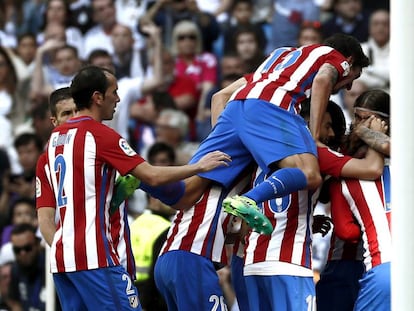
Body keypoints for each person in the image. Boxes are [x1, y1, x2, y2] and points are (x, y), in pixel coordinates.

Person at [36, 65, 230, 310]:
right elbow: (152, 176)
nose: (117, 99)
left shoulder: (53, 142)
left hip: (63, 260)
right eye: (113, 92)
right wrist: (198, 167)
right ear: (97, 98)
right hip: (95, 257)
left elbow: (52, 213)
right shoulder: (100, 135)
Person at [188, 33, 370, 231]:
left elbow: (220, 96)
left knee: (189, 187)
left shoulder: (279, 59)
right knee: (309, 173)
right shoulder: (336, 58)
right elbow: (323, 80)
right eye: (355, 76)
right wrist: (315, 136)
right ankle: (249, 200)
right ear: (350, 61)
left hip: (235, 108)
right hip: (272, 107)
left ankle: (153, 180)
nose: (349, 85)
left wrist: (231, 135)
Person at [319, 90, 391, 311]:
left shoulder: (349, 171)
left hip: (358, 263)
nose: (357, 124)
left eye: (364, 119)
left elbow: (347, 232)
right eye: (356, 117)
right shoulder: (343, 155)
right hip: (359, 262)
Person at [7, 223, 59, 310]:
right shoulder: (15, 269)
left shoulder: (52, 267)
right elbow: (14, 301)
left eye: (27, 248)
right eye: (17, 250)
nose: (22, 253)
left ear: (37, 245)